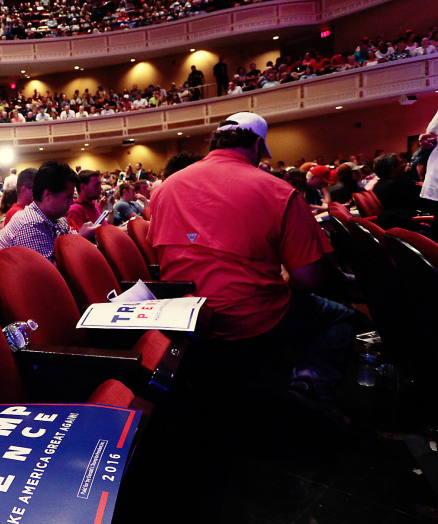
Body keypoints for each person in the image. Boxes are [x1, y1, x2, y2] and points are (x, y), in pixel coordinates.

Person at [148, 112, 354, 405]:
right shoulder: (278, 190)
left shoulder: (164, 189)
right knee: (339, 315)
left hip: (189, 320)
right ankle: (310, 384)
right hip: (254, 320)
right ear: (258, 145)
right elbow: (311, 278)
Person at [0, 161, 78, 262]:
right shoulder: (31, 224)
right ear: (47, 195)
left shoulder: (57, 219)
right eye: (68, 197)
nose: (72, 202)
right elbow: (49, 273)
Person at [67, 169, 102, 236]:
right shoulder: (75, 210)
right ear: (83, 187)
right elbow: (81, 241)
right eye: (96, 186)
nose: (100, 189)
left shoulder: (94, 204)